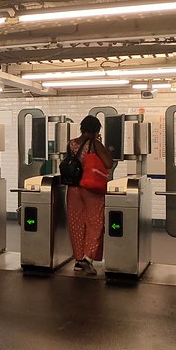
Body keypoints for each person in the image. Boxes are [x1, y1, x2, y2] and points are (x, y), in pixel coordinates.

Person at [66, 115, 114, 275]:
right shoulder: (95, 144)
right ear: (96, 130)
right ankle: (88, 258)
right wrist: (108, 150)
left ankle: (78, 260)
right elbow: (108, 163)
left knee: (76, 223)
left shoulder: (71, 143)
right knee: (95, 222)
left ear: (82, 128)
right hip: (91, 187)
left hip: (73, 188)